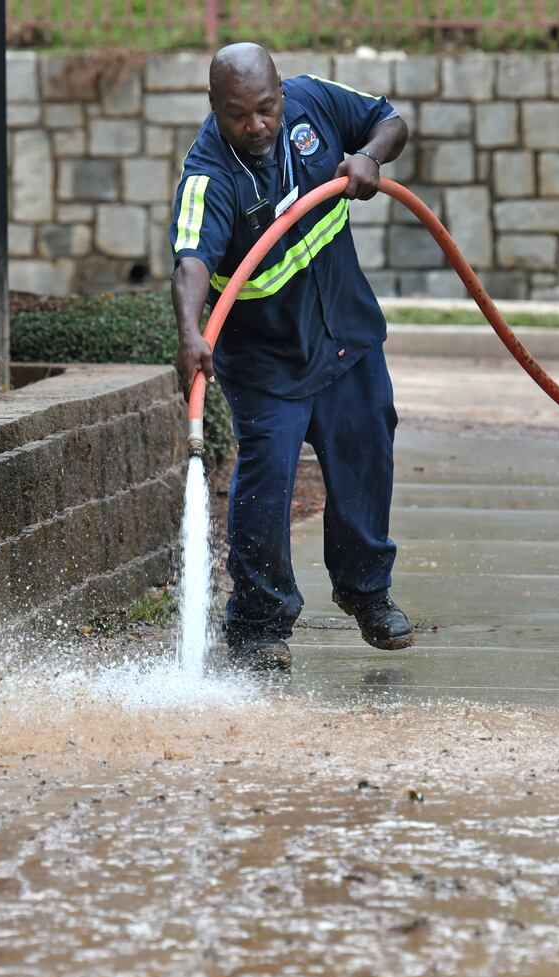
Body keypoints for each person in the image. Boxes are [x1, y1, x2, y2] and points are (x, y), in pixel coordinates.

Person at [169, 42, 414, 670]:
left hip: (346, 333)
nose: (257, 125)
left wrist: (367, 156)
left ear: (281, 92)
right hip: (269, 360)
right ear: (214, 108)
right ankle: (258, 626)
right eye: (239, 114)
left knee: (366, 452)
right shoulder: (209, 175)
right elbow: (192, 259)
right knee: (266, 484)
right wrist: (191, 330)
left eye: (266, 108)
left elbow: (390, 120)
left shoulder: (312, 100)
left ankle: (368, 595)